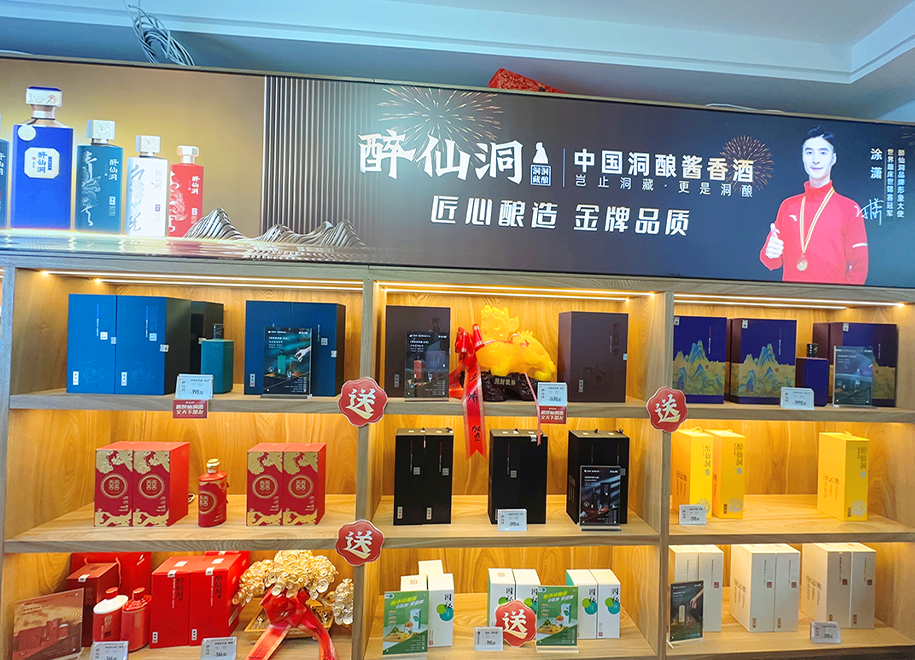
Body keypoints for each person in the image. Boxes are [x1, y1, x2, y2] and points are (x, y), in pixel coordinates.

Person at [760, 126, 868, 284]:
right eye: (809, 152)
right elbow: (770, 261)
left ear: (834, 158)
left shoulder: (850, 209)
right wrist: (770, 252)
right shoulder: (788, 205)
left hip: (830, 298)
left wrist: (838, 297)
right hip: (790, 297)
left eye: (823, 153)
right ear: (802, 157)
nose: (815, 159)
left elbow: (859, 268)